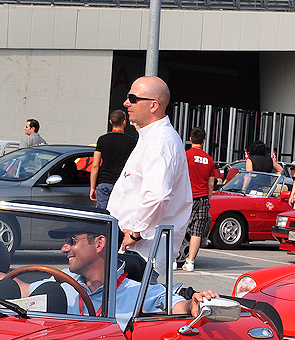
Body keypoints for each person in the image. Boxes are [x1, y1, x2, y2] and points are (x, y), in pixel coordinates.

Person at [0, 223, 217, 329]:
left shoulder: (137, 292)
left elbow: (177, 306)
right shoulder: (61, 282)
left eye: (72, 240)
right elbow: (19, 288)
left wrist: (195, 303)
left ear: (99, 244)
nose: (64, 248)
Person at [107, 76, 193, 270]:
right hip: (135, 250)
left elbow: (157, 196)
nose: (126, 103)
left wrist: (136, 233)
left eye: (133, 98)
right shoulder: (152, 137)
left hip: (141, 254)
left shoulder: (159, 142)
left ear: (154, 105)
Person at [178, 126, 220, 273]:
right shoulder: (209, 160)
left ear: (190, 139)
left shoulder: (185, 156)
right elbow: (211, 184)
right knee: (196, 231)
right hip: (202, 198)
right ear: (203, 141)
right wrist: (208, 199)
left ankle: (174, 260)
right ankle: (190, 262)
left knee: (180, 228)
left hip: (185, 197)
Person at [90, 109, 136, 210]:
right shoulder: (131, 141)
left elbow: (95, 165)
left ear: (110, 122)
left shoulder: (102, 140)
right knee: (120, 213)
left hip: (104, 182)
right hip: (122, 183)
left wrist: (93, 187)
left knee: (103, 214)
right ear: (124, 122)